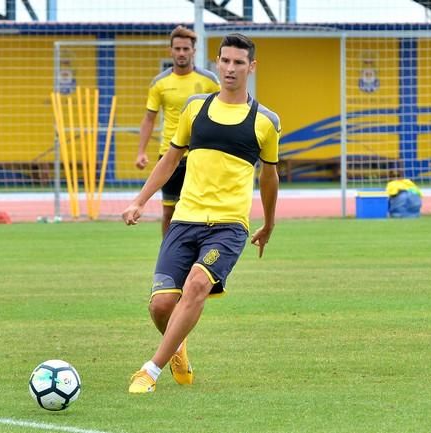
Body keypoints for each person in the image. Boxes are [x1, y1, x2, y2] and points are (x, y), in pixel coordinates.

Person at [122, 33, 281, 393]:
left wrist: (269, 224)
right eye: (225, 60)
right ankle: (176, 347)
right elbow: (171, 158)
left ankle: (150, 371)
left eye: (239, 62)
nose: (230, 68)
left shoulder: (266, 121)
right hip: (185, 219)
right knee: (162, 306)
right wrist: (140, 200)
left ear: (251, 67)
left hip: (228, 226)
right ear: (217, 62)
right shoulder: (196, 108)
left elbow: (269, 177)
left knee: (196, 284)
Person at [136, 25, 220, 237]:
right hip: (170, 154)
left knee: (201, 211)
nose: (181, 53)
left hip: (200, 154)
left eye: (185, 48)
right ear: (170, 50)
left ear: (194, 50)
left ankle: (197, 254)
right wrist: (141, 152)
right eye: (177, 48)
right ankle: (168, 257)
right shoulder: (159, 83)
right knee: (169, 211)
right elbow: (149, 118)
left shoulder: (209, 81)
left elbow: (223, 112)